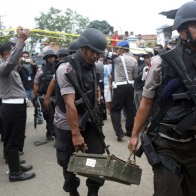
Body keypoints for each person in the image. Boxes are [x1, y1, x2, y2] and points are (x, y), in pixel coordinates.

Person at [128, 1, 196, 196]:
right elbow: (146, 101)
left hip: (195, 142)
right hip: (165, 141)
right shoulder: (162, 62)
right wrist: (135, 135)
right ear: (182, 29)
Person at [54, 28, 107, 196]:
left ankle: (93, 191)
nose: (95, 56)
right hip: (67, 122)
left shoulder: (96, 67)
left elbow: (96, 90)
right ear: (82, 47)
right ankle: (72, 191)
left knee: (96, 158)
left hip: (90, 119)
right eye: (92, 51)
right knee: (67, 162)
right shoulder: (65, 69)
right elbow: (70, 104)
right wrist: (75, 134)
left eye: (98, 53)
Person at [0, 27, 35, 182]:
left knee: (16, 138)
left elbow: (14, 63)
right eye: (13, 51)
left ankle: (16, 166)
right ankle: (15, 173)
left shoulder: (6, 67)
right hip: (11, 108)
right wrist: (21, 41)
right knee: (12, 139)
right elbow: (12, 61)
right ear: (6, 54)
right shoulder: (1, 67)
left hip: (15, 107)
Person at [110, 40, 137, 140]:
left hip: (120, 86)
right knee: (129, 109)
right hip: (130, 86)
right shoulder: (134, 60)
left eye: (119, 48)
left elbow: (107, 54)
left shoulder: (117, 59)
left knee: (115, 110)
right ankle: (129, 131)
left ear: (122, 49)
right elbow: (135, 75)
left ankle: (119, 133)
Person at [33, 49, 57, 141]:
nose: (52, 59)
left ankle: (54, 133)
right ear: (46, 58)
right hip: (44, 96)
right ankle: (50, 133)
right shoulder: (41, 70)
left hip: (56, 97)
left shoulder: (58, 68)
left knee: (57, 116)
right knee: (49, 116)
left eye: (53, 57)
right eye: (49, 57)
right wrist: (34, 97)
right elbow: (36, 83)